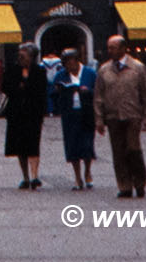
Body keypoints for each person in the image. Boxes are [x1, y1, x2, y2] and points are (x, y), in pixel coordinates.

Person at [95, 34, 146, 198]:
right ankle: (124, 185)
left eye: (113, 48)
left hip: (132, 114)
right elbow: (98, 96)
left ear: (123, 48)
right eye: (108, 48)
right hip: (113, 116)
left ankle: (140, 182)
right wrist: (99, 119)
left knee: (133, 149)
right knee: (118, 152)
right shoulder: (104, 70)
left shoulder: (137, 67)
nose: (109, 51)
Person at [1, 39, 51, 188]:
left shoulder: (39, 71)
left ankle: (35, 176)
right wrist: (18, 87)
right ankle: (25, 177)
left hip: (33, 114)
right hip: (16, 113)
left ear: (32, 56)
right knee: (20, 146)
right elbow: (5, 87)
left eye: (23, 56)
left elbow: (41, 91)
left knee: (33, 145)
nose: (20, 58)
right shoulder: (12, 70)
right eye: (19, 56)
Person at [50, 47, 96, 190]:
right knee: (72, 145)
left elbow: (99, 91)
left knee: (87, 144)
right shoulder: (61, 75)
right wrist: (58, 92)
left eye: (71, 63)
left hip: (87, 113)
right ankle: (77, 177)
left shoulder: (89, 74)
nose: (69, 66)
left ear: (77, 61)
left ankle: (87, 171)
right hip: (69, 114)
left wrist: (88, 91)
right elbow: (53, 94)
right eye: (66, 64)